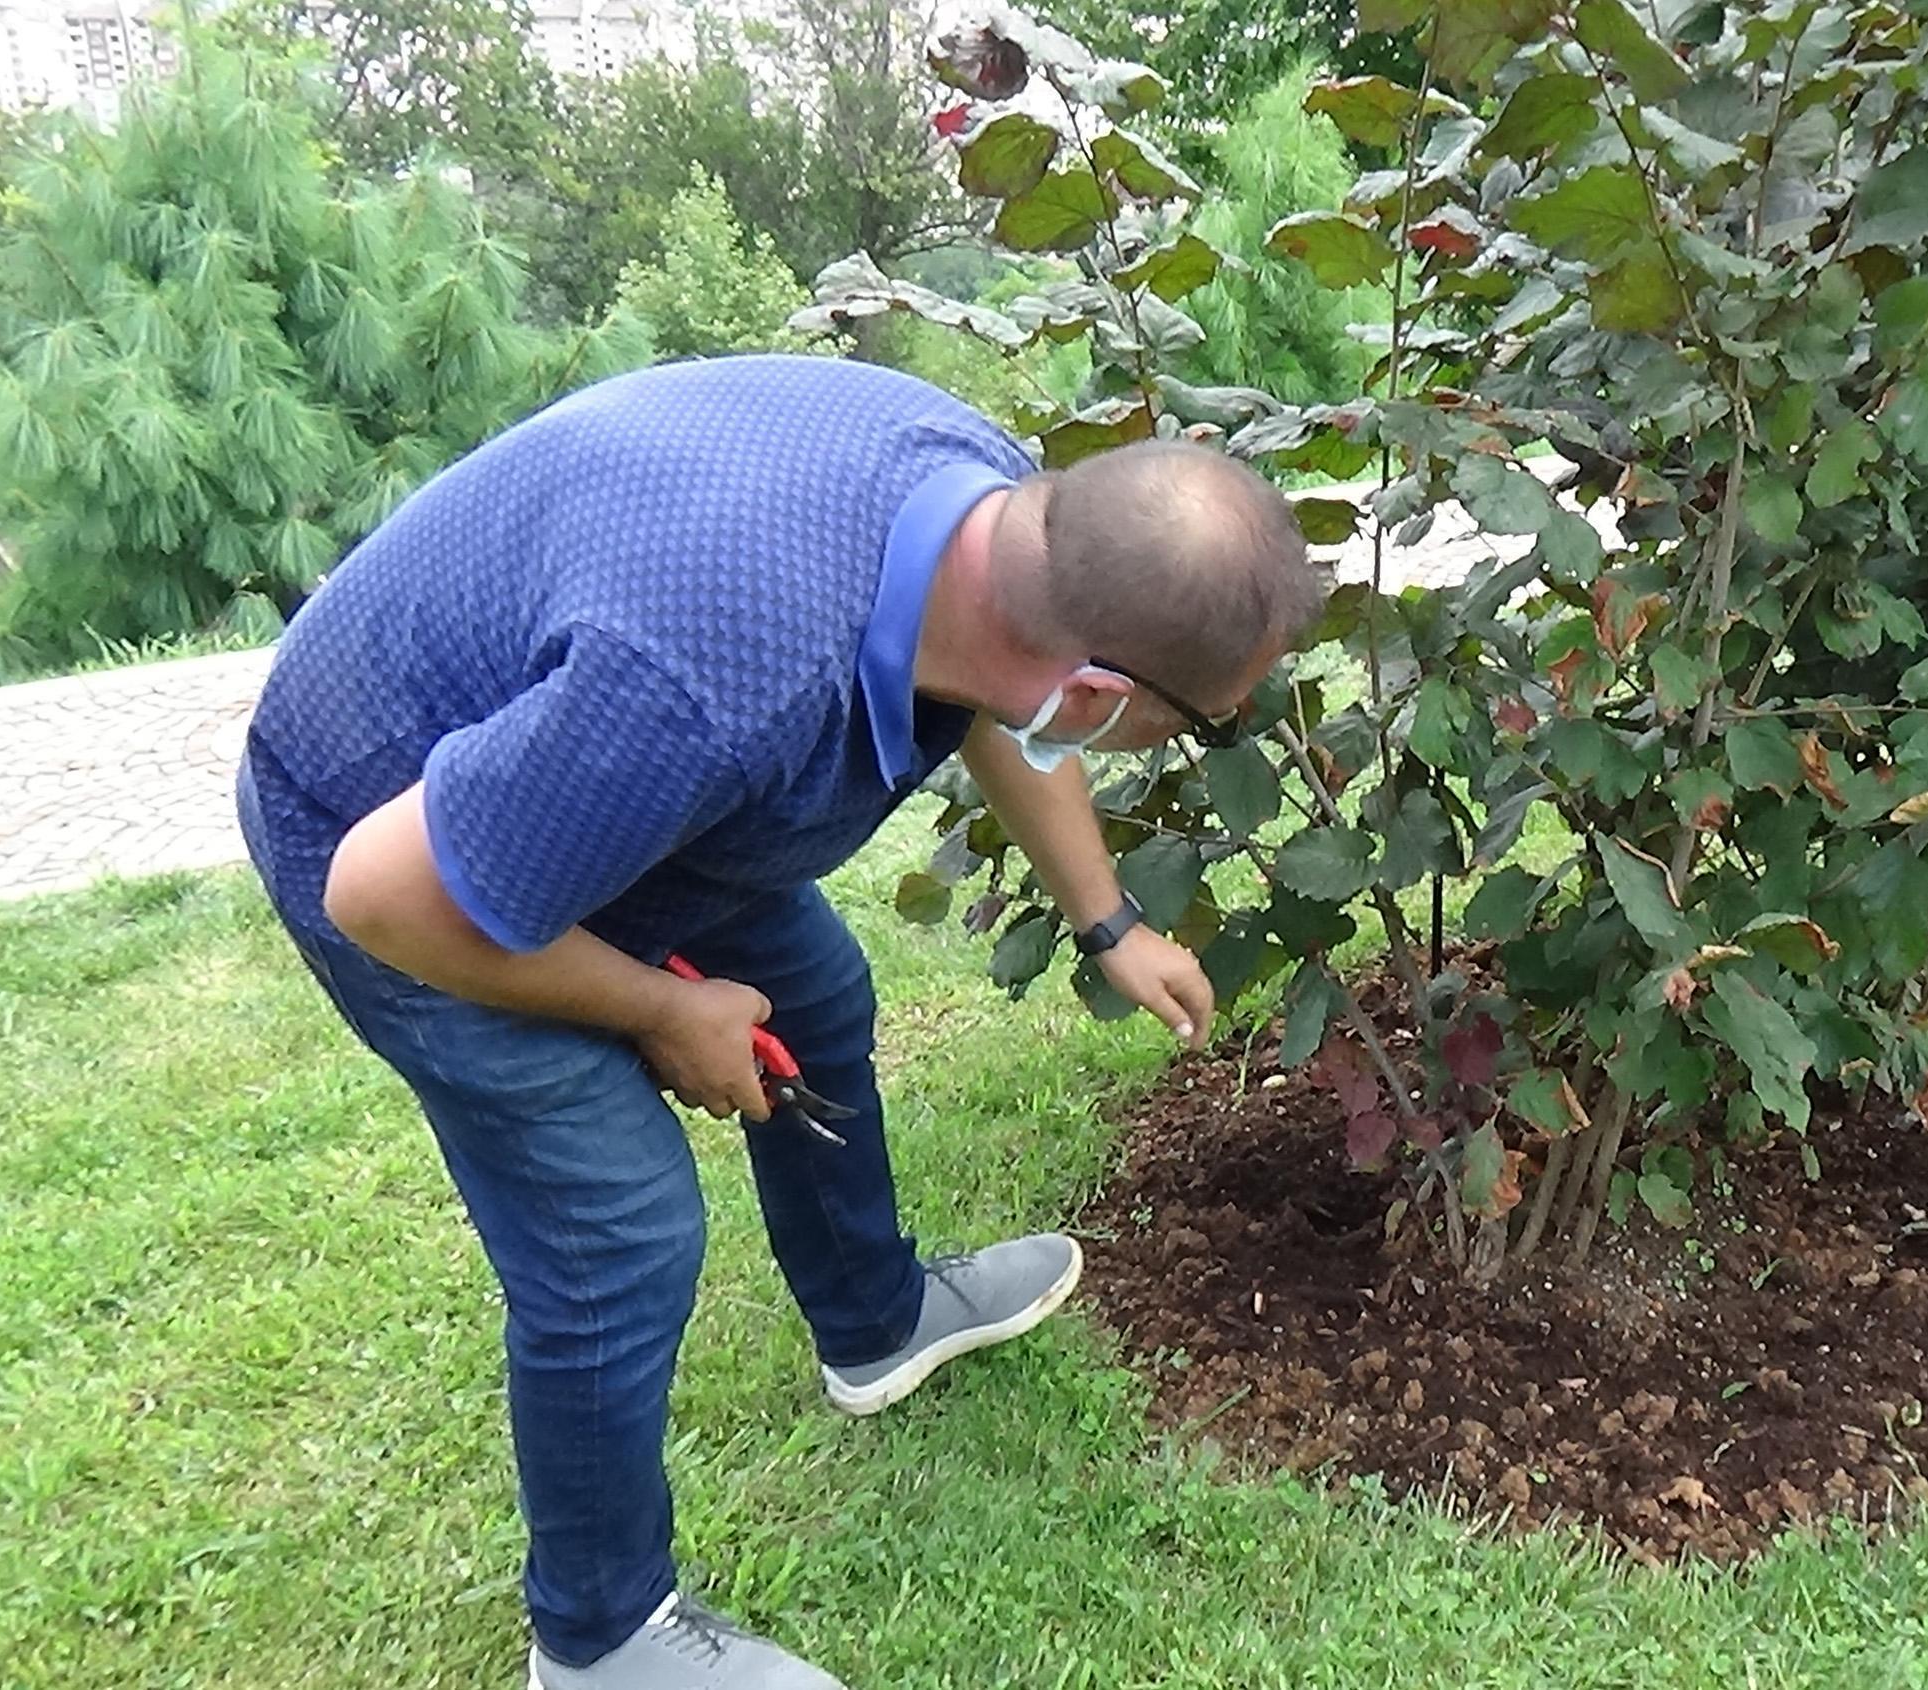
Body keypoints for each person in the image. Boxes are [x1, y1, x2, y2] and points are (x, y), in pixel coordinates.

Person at [231, 354, 1323, 1689]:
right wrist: (661, 1007)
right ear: (1099, 696)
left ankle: (873, 1323)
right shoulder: (716, 684)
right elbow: (384, 896)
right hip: (382, 823)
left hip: (599, 770)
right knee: (615, 1230)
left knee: (817, 992)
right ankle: (597, 1640)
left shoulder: (987, 515)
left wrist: (1110, 920)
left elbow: (995, 691)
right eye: (1200, 723)